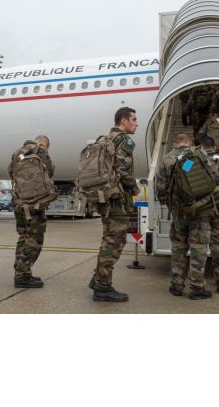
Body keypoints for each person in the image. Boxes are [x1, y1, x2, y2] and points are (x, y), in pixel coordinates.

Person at [155, 132, 219, 300]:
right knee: (198, 248)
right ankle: (197, 287)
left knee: (178, 247)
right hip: (199, 211)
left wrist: (167, 203)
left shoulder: (167, 159)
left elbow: (160, 187)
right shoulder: (199, 155)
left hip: (178, 212)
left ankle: (176, 285)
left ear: (174, 143)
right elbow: (215, 179)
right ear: (189, 142)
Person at [89, 107, 139, 302]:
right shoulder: (124, 140)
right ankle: (102, 287)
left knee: (109, 238)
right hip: (118, 198)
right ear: (124, 120)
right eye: (133, 119)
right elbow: (124, 170)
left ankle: (98, 279)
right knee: (114, 241)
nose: (136, 123)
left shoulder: (105, 138)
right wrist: (134, 189)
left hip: (106, 197)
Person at [9, 135, 55, 288]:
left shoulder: (17, 153)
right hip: (35, 204)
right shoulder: (41, 152)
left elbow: (11, 172)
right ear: (45, 145)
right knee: (35, 239)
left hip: (18, 202)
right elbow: (49, 171)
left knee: (23, 236)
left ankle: (20, 270)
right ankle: (22, 275)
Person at [199, 136, 219, 295]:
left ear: (201, 146)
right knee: (218, 246)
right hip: (218, 210)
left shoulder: (192, 161)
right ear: (214, 146)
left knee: (198, 247)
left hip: (201, 210)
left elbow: (183, 176)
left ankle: (197, 283)